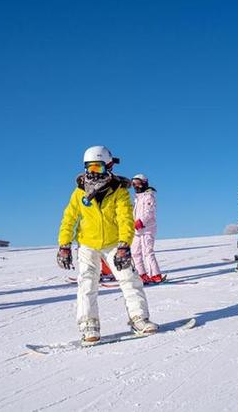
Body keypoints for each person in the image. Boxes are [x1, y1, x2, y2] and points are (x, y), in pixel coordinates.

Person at [57, 145, 158, 345]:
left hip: (113, 243)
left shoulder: (119, 190)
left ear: (109, 166)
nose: (94, 174)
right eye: (90, 168)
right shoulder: (79, 193)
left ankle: (139, 319)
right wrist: (64, 245)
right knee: (87, 283)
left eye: (99, 168)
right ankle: (89, 325)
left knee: (129, 279)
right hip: (87, 244)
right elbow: (69, 219)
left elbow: (125, 218)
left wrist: (124, 245)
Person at [131, 174, 163, 284]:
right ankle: (141, 274)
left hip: (147, 229)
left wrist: (141, 221)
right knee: (135, 252)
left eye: (138, 183)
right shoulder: (137, 199)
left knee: (147, 252)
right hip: (137, 230)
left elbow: (149, 212)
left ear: (144, 183)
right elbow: (135, 213)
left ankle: (155, 275)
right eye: (133, 184)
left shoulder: (149, 196)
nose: (136, 186)